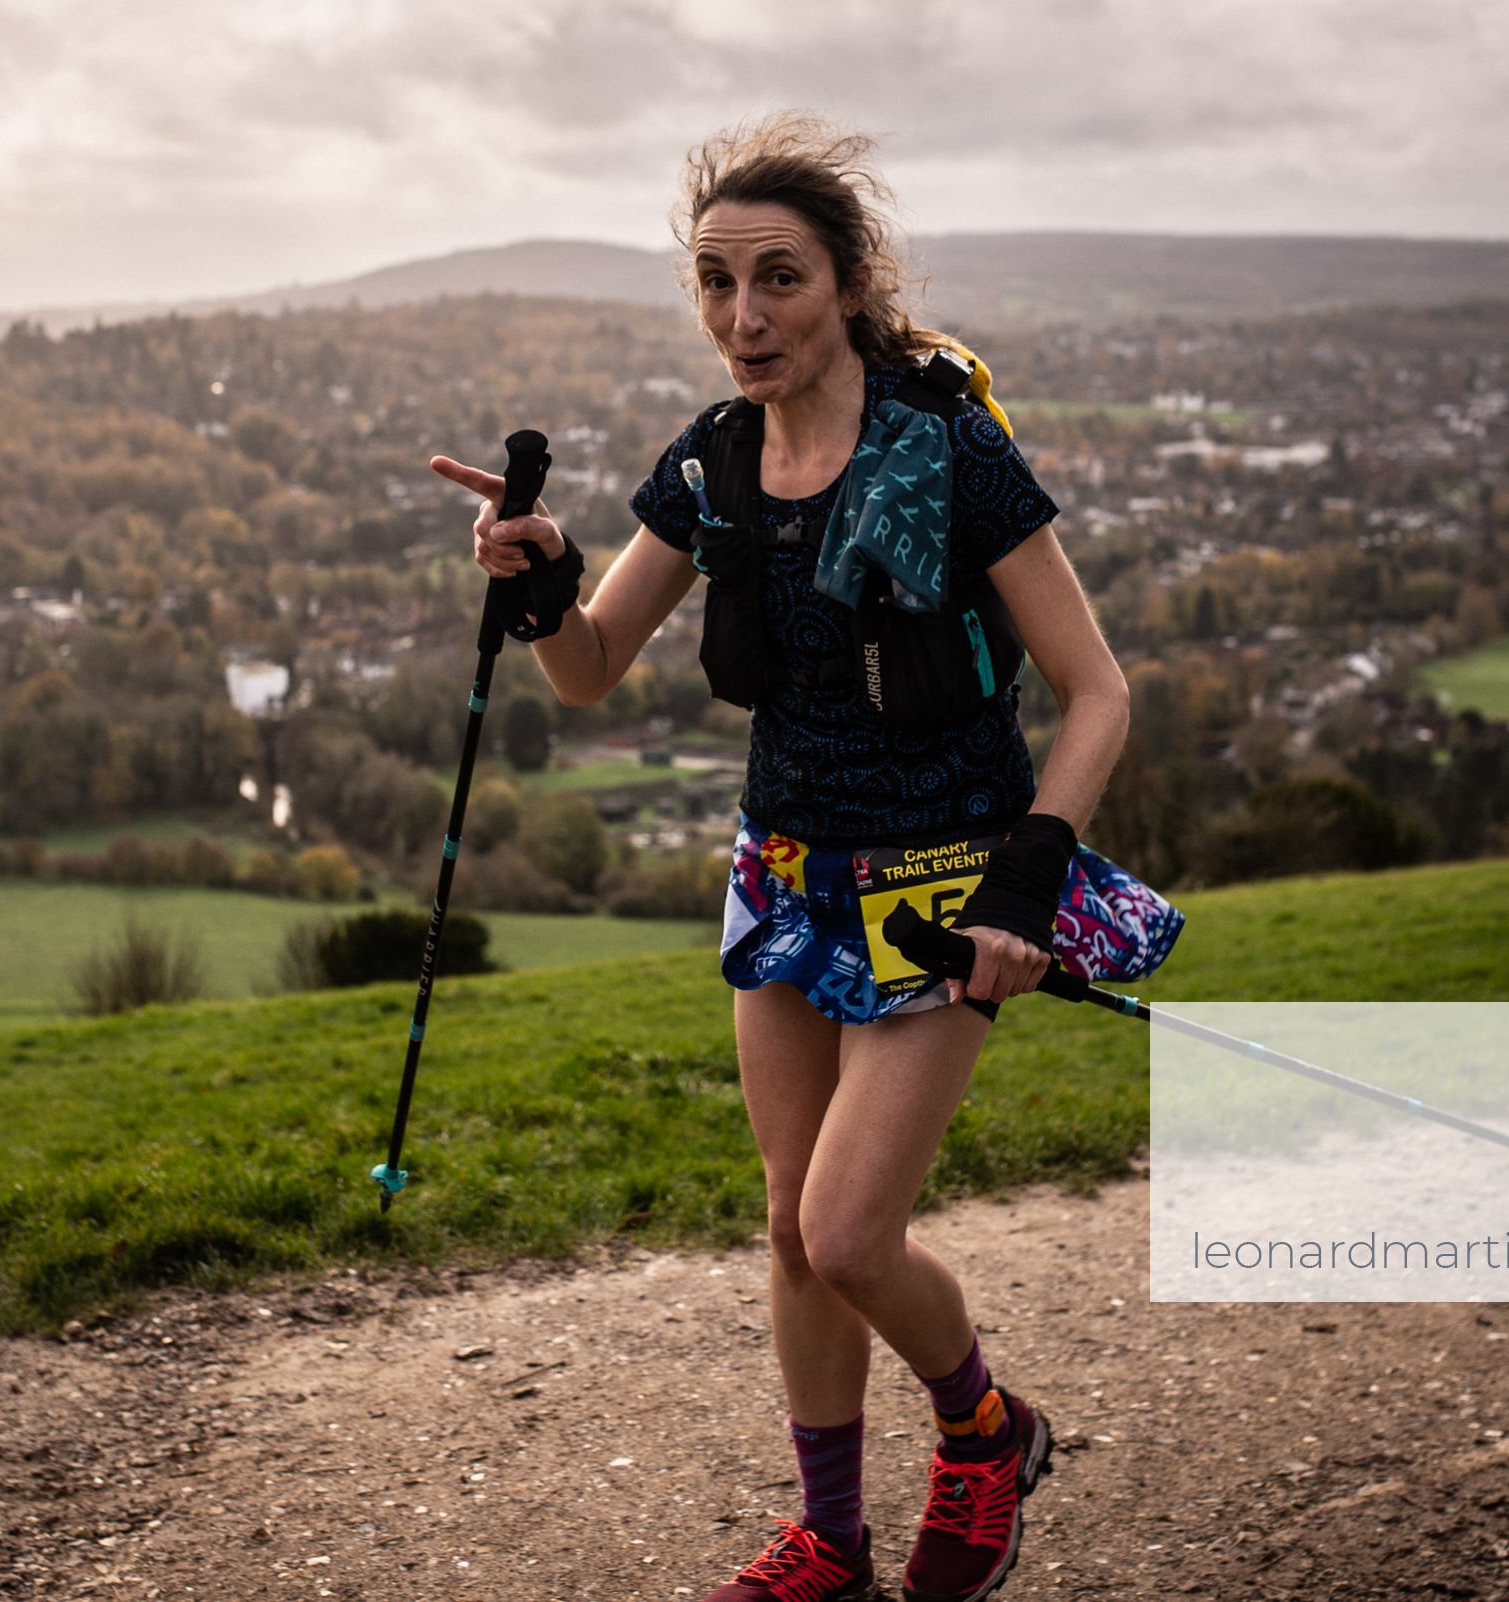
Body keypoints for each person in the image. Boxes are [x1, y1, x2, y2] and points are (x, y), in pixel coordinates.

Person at [430, 114, 1133, 1602]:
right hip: (784, 876)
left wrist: (1029, 887)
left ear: (850, 282)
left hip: (944, 888)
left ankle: (986, 1432)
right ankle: (833, 1536)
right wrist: (542, 580)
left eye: (779, 280)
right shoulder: (714, 460)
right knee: (791, 1228)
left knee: (849, 1228)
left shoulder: (950, 449)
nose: (743, 316)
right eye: (716, 281)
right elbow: (590, 668)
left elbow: (1099, 694)